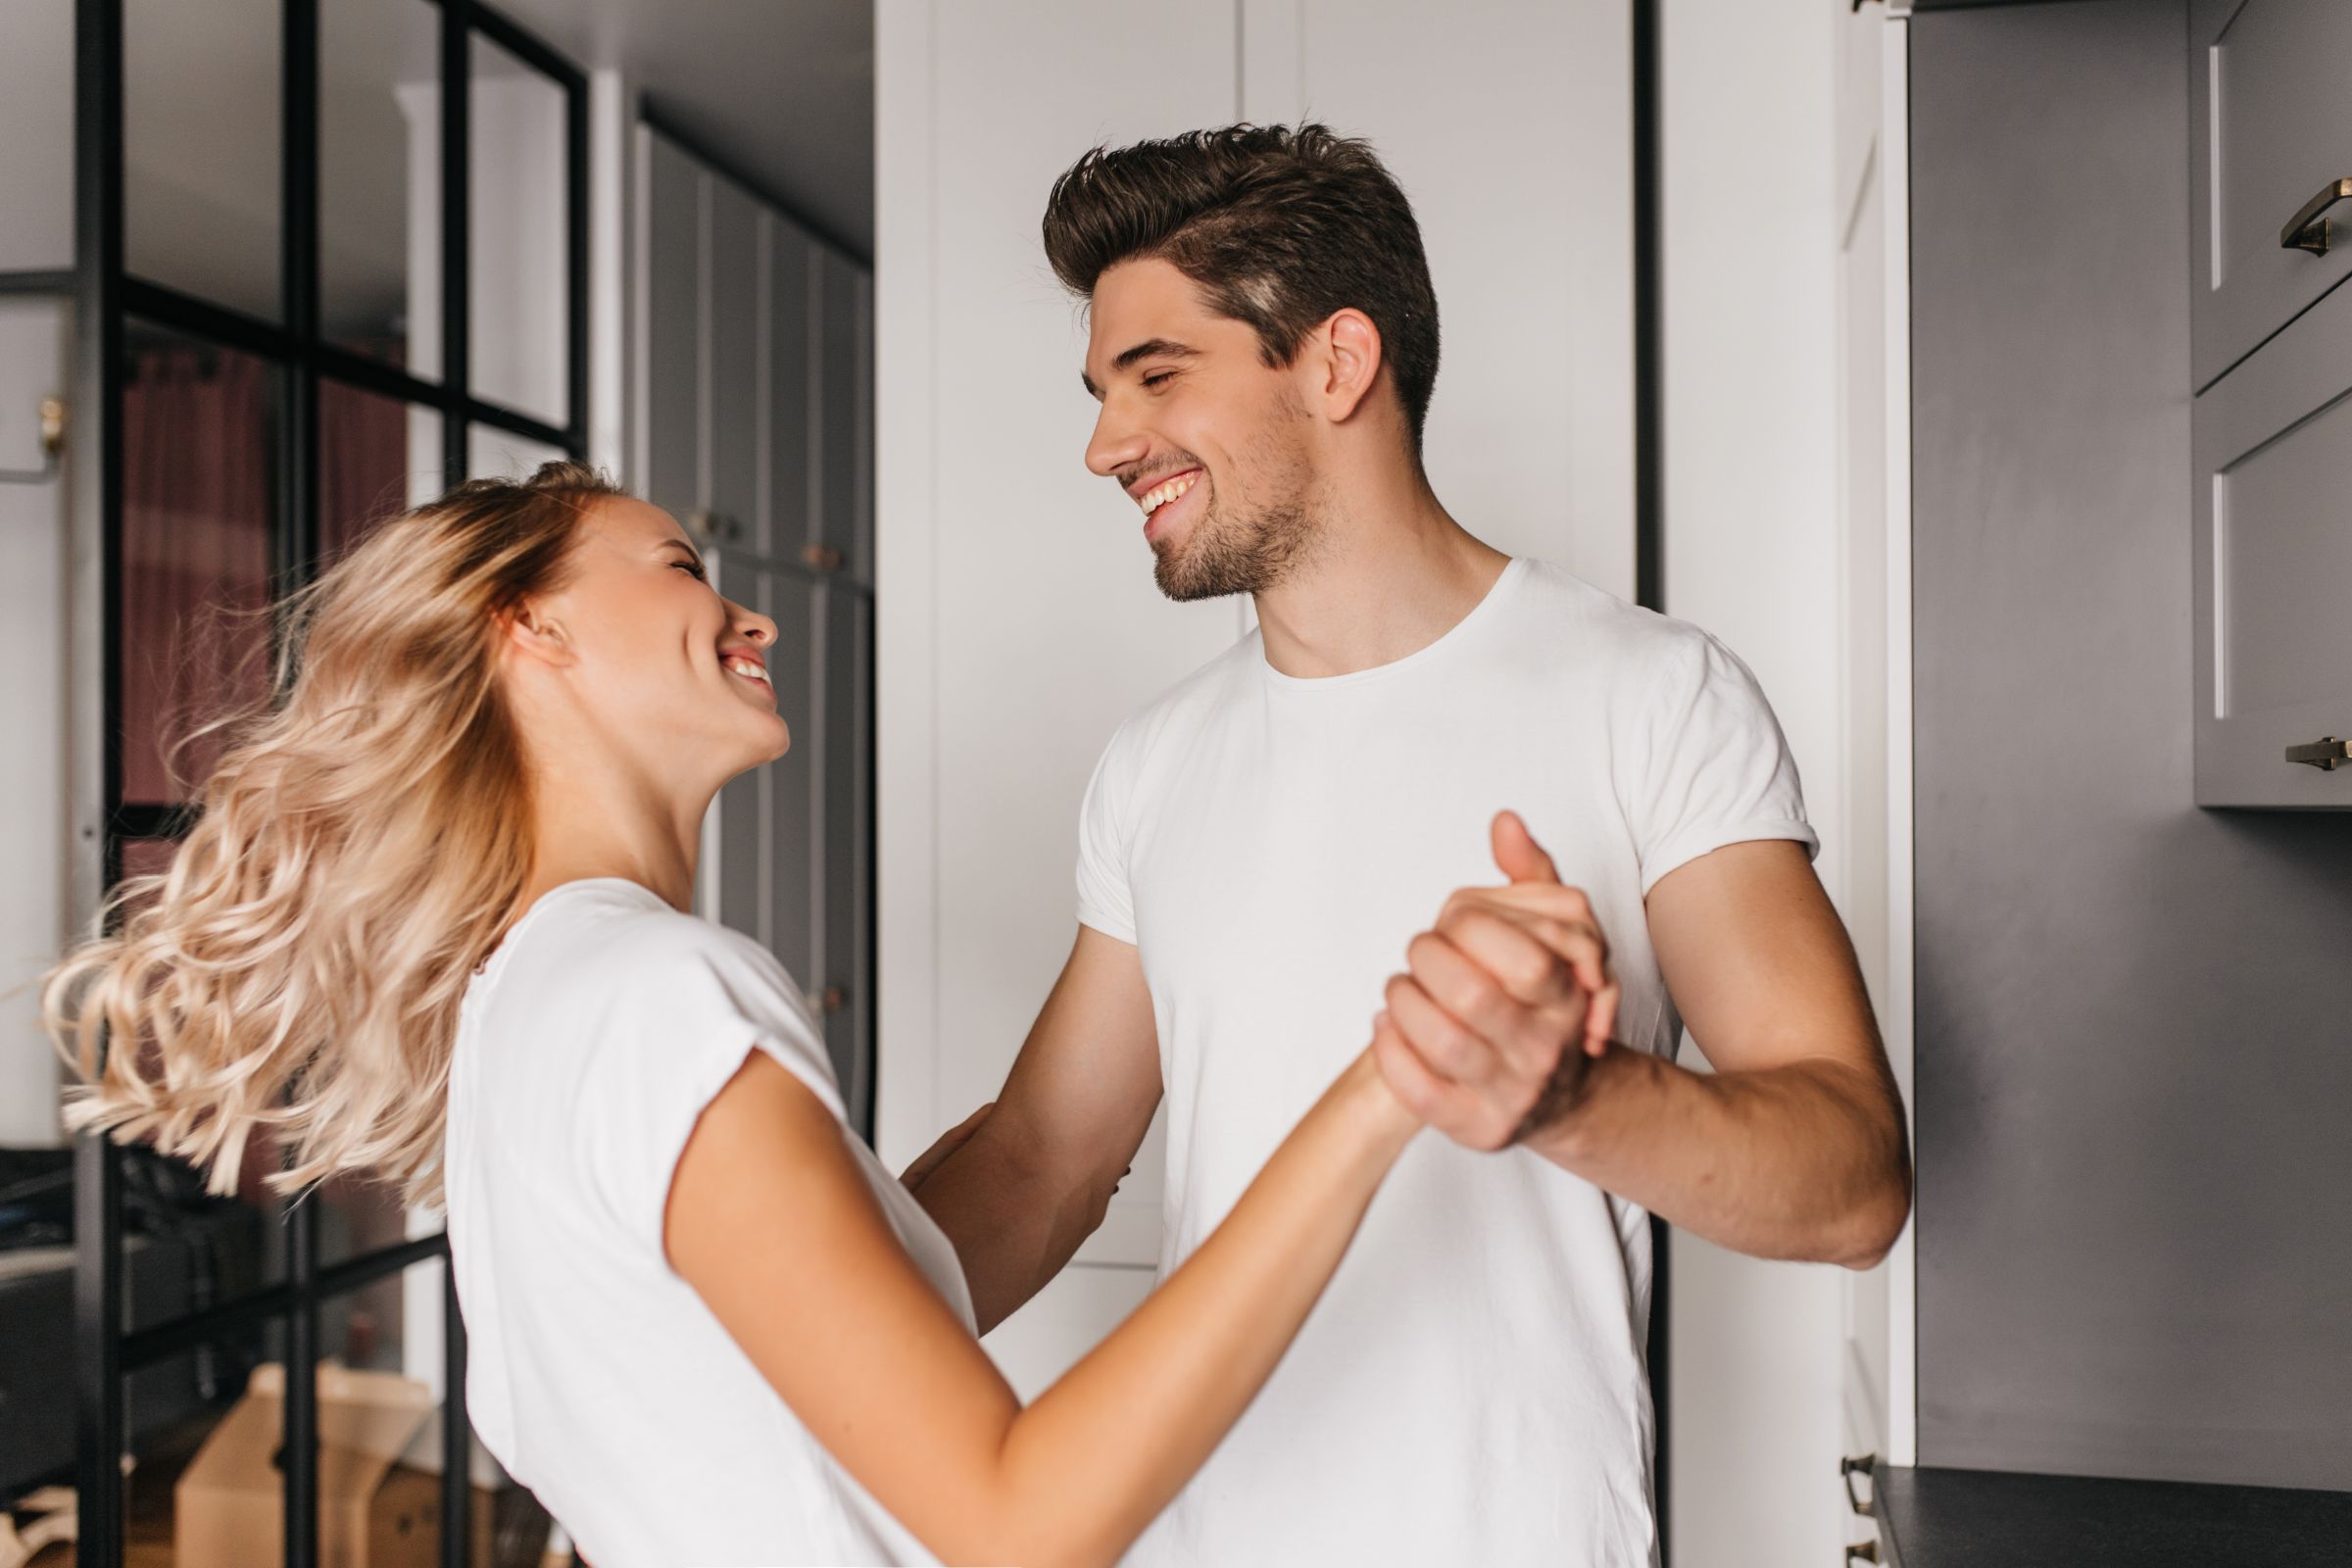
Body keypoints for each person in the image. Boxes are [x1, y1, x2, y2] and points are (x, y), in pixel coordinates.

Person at [44, 464, 1606, 1567]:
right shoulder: (662, 996)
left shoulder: (531, 1006)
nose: (752, 619)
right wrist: (1388, 1084)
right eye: (679, 568)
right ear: (533, 632)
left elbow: (862, 1314)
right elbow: (1014, 1525)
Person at [903, 124, 1916, 1567]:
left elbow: (1853, 1179)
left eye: (1158, 376)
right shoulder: (1154, 767)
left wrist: (1570, 1099)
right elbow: (1042, 1158)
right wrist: (776, 1314)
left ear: (1334, 363)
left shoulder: (1650, 696)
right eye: (1101, 393)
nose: (1105, 445)